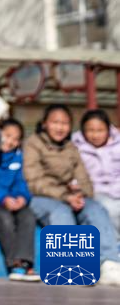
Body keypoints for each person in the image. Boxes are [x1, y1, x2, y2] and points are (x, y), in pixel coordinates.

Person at [24, 103, 120, 284]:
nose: (60, 127)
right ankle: (68, 268)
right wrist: (65, 196)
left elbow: (83, 178)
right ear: (45, 123)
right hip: (41, 197)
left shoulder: (71, 147)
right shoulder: (33, 144)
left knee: (95, 209)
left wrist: (81, 194)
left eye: (65, 123)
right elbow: (34, 181)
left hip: (69, 197)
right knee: (60, 212)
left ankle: (109, 263)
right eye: (55, 122)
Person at [0, 117, 38, 282]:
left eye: (15, 138)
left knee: (28, 217)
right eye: (7, 135)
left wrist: (22, 198)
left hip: (16, 201)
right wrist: (4, 198)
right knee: (4, 220)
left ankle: (26, 262)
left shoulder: (19, 157)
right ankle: (14, 263)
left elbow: (22, 181)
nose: (10, 141)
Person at [72, 109, 120, 234]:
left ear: (108, 130)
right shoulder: (76, 148)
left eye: (100, 130)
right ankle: (114, 246)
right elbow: (72, 173)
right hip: (94, 191)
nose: (95, 135)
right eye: (90, 130)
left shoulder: (117, 144)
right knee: (110, 209)